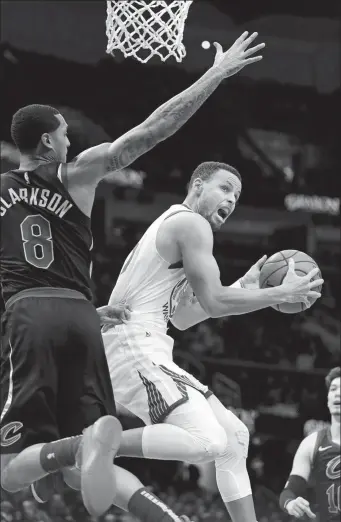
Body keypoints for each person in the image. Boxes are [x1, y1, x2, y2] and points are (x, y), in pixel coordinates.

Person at [0, 31, 266, 522]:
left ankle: (60, 455)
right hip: (83, 317)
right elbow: (150, 131)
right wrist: (215, 74)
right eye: (63, 134)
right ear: (47, 142)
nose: (69, 140)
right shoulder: (74, 175)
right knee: (86, 465)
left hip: (28, 315)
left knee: (14, 467)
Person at [102, 161, 323, 522]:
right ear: (198, 185)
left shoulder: (179, 226)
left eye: (236, 194)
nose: (232, 199)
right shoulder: (192, 224)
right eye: (225, 188)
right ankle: (87, 444)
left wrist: (244, 288)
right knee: (209, 441)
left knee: (234, 436)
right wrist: (279, 292)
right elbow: (215, 301)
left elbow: (184, 318)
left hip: (146, 343)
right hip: (133, 346)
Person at [279, 367, 340, 520]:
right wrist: (290, 503)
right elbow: (289, 490)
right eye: (333, 389)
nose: (338, 394)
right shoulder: (312, 442)